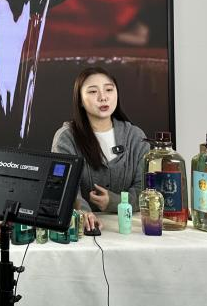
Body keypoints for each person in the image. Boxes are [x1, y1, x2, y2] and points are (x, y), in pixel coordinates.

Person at [51, 66, 149, 231]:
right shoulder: (66, 138)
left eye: (109, 90)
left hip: (130, 227)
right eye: (92, 91)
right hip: (83, 228)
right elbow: (64, 187)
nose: (103, 97)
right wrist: (83, 212)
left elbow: (144, 189)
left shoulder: (135, 136)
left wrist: (113, 202)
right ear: (80, 100)